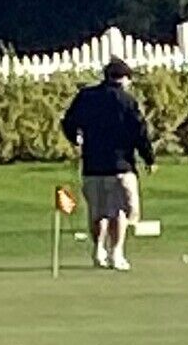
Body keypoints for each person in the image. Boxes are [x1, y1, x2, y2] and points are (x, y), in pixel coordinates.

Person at [61, 55, 156, 269]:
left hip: (93, 165)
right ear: (123, 79)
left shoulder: (86, 97)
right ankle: (117, 253)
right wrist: (149, 158)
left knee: (98, 212)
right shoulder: (127, 101)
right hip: (121, 166)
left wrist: (74, 137)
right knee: (119, 212)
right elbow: (139, 132)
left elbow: (68, 121)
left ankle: (98, 251)